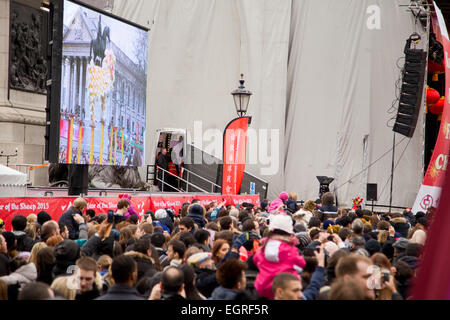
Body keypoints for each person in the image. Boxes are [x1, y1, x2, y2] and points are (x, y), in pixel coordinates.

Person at [253, 214, 306, 299]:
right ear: (289, 232)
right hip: (286, 289)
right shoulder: (290, 250)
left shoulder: (262, 247)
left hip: (262, 288)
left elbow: (256, 261)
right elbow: (301, 265)